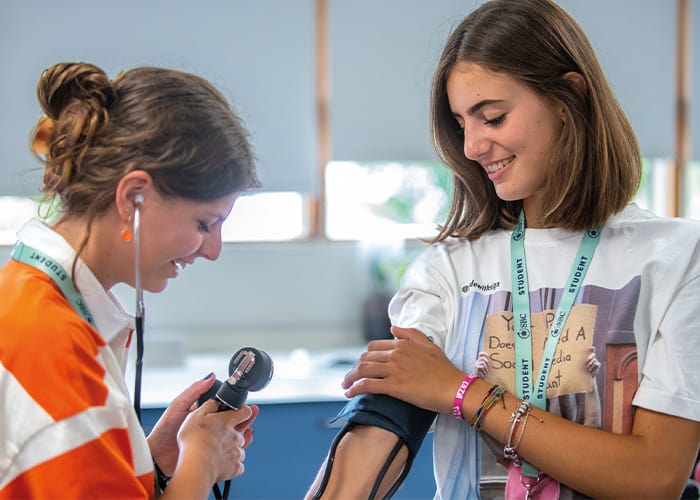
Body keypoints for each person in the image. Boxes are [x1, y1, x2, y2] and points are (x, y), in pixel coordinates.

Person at [306, 0, 700, 498]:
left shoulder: (679, 257)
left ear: (568, 98)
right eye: (461, 122)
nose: (471, 146)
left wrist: (461, 391)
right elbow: (384, 421)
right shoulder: (447, 268)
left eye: (491, 117)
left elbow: (654, 476)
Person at [0, 61, 261, 499]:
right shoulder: (52, 345)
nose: (213, 249)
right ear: (133, 197)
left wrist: (148, 461)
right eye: (204, 223)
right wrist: (200, 459)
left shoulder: (26, 297)